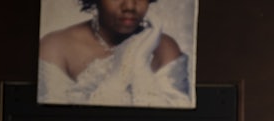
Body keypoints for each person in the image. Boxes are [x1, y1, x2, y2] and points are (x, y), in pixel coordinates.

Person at [38, 0, 192, 107]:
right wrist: (122, 70)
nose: (130, 6)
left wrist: (139, 61)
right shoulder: (55, 46)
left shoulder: (165, 48)